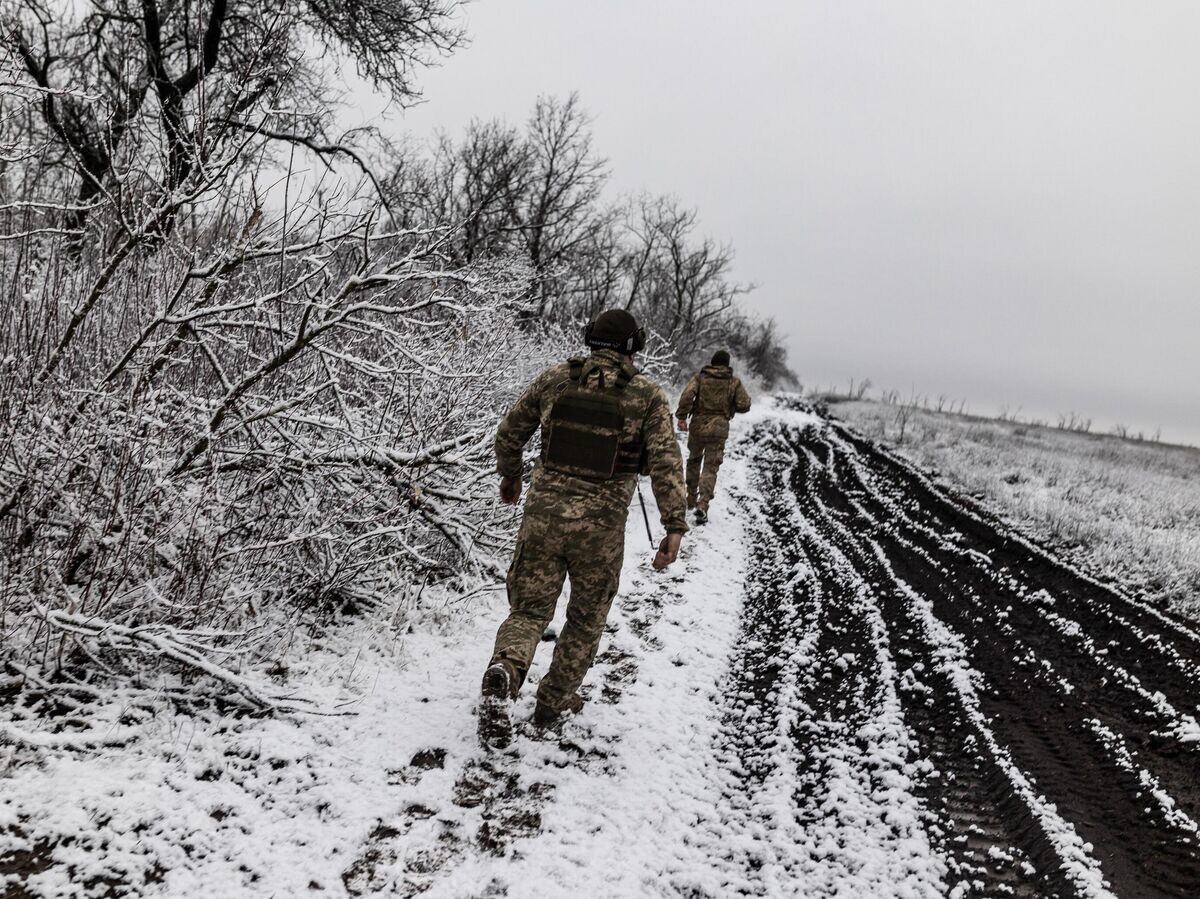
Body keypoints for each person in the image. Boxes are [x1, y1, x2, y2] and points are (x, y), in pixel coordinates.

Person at [479, 309, 688, 746]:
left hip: (542, 519)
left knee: (529, 611)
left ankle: (507, 668)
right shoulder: (647, 395)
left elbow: (510, 431)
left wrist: (510, 474)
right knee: (586, 618)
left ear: (591, 339)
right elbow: (667, 463)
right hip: (600, 531)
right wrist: (674, 525)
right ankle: (553, 702)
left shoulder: (555, 379)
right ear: (635, 347)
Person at [675, 350, 752, 524]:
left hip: (698, 424)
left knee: (694, 459)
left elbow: (687, 396)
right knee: (711, 467)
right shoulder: (734, 382)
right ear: (727, 364)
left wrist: (681, 417)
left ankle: (690, 498)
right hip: (719, 427)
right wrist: (730, 405)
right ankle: (703, 505)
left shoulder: (699, 378)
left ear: (712, 362)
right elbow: (745, 404)